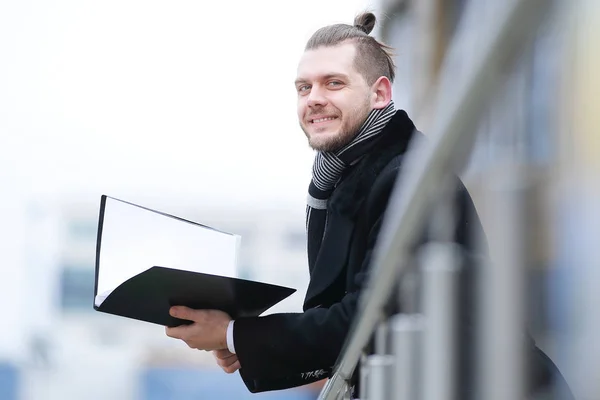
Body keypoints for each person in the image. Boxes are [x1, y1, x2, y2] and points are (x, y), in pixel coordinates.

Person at [165, 12, 573, 399]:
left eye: (334, 83)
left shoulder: (406, 175)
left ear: (379, 93)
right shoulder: (343, 176)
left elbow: (367, 315)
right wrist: (245, 342)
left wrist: (236, 334)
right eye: (304, 87)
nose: (314, 99)